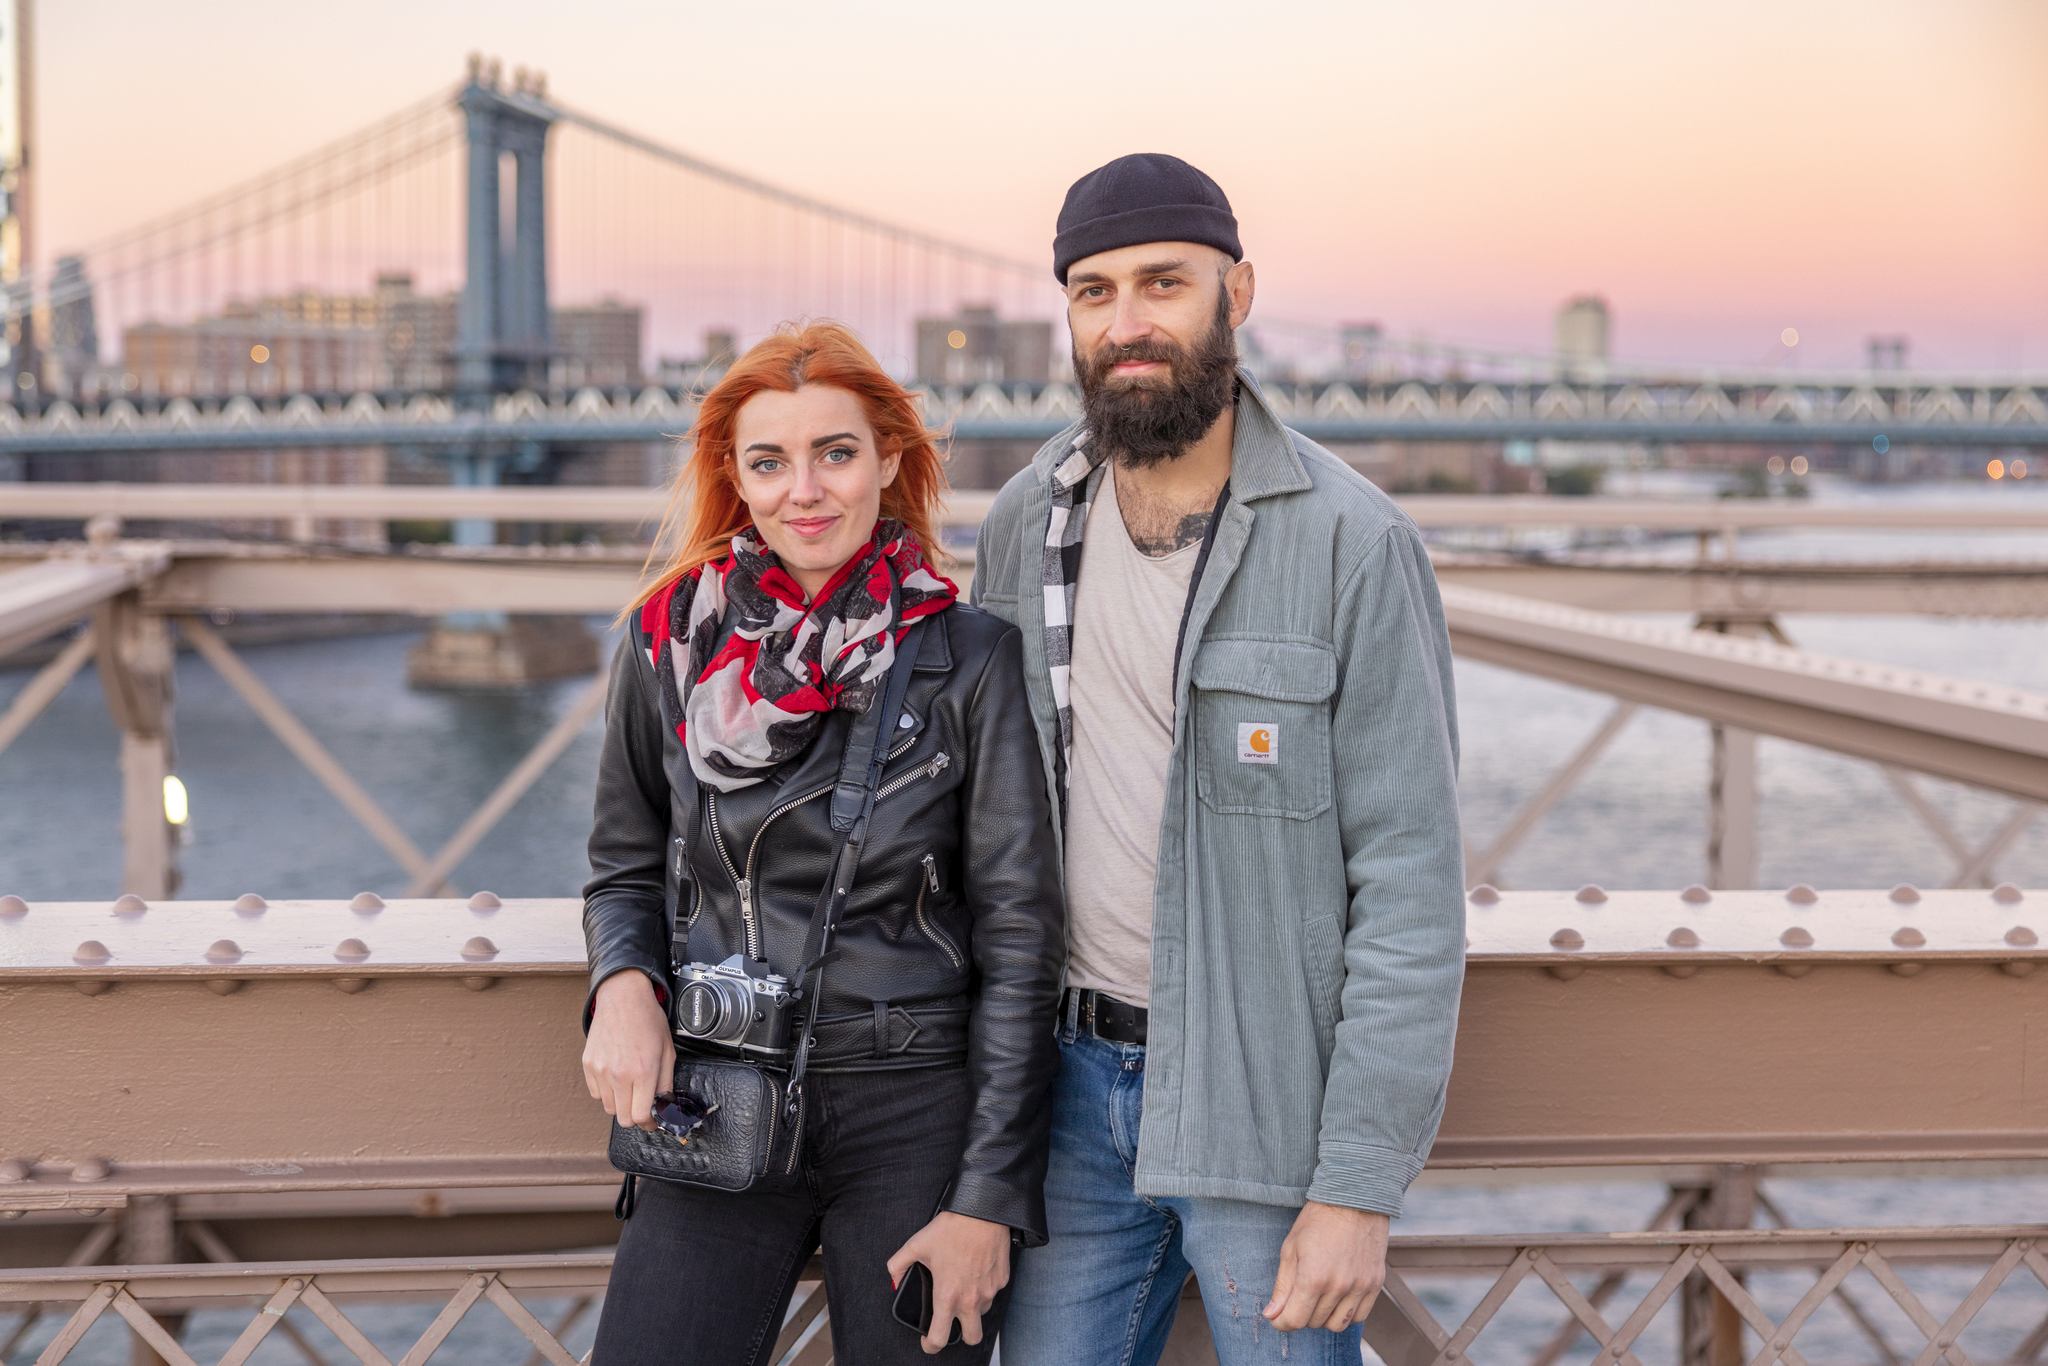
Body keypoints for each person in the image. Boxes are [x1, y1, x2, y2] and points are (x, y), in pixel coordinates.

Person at [976, 155, 1467, 1365]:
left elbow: (1408, 892)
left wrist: (1357, 1187)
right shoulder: (1023, 522)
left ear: (1234, 294)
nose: (1126, 321)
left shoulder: (1354, 545)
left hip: (1264, 1112)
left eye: (1162, 283)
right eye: (1092, 293)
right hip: (1067, 1097)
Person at [580, 322, 1064, 1362]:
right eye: (769, 461)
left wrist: (987, 1198)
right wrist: (621, 984)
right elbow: (622, 865)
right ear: (735, 477)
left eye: (834, 453)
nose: (804, 489)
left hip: (912, 1115)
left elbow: (1022, 940)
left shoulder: (968, 659)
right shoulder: (666, 640)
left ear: (888, 460)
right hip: (710, 1094)